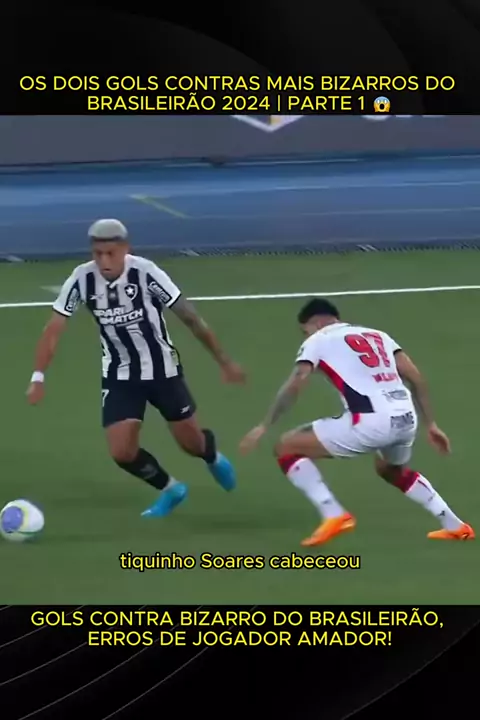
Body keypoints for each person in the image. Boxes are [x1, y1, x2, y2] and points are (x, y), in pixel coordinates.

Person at [26, 219, 245, 518]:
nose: (104, 261)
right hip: (120, 375)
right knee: (121, 451)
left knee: (191, 444)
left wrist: (224, 361)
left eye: (111, 253)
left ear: (125, 249)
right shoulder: (81, 279)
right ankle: (171, 489)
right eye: (97, 254)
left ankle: (210, 454)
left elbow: (190, 318)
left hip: (162, 371)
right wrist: (38, 377)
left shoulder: (146, 273)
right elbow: (53, 329)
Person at [240, 298, 474, 546]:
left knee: (286, 447)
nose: (305, 336)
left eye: (304, 331)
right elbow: (415, 377)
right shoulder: (378, 336)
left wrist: (265, 424)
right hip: (406, 418)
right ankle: (455, 526)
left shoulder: (317, 340)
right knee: (391, 470)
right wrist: (431, 424)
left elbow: (298, 380)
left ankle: (333, 513)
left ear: (314, 323)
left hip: (371, 420)